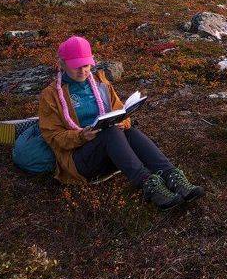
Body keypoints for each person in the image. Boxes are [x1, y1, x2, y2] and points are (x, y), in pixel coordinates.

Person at [38, 35, 203, 211]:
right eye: (76, 66)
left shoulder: (101, 83)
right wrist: (81, 135)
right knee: (110, 133)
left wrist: (123, 121)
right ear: (62, 64)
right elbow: (52, 136)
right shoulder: (51, 96)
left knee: (128, 132)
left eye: (86, 65)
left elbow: (120, 110)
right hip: (80, 161)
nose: (83, 71)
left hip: (110, 152)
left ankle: (172, 176)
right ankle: (149, 184)